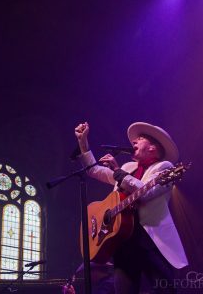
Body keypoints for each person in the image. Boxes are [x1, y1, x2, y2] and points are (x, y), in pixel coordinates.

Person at [73, 121, 188, 294]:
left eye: (140, 139)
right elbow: (94, 170)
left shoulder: (164, 168)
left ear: (153, 148)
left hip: (150, 239)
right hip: (122, 240)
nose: (134, 142)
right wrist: (83, 143)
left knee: (164, 290)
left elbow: (146, 193)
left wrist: (118, 171)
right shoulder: (128, 167)